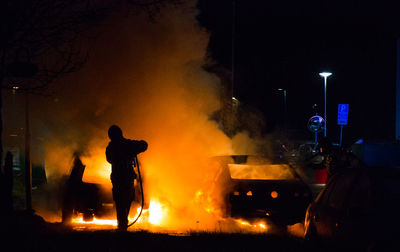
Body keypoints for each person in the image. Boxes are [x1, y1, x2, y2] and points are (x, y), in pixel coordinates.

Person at [106, 125, 148, 231]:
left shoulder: (112, 147)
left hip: (119, 179)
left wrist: (135, 148)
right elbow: (144, 145)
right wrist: (132, 151)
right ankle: (122, 225)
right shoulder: (127, 144)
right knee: (124, 201)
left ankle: (122, 225)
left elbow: (144, 145)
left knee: (121, 202)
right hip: (126, 179)